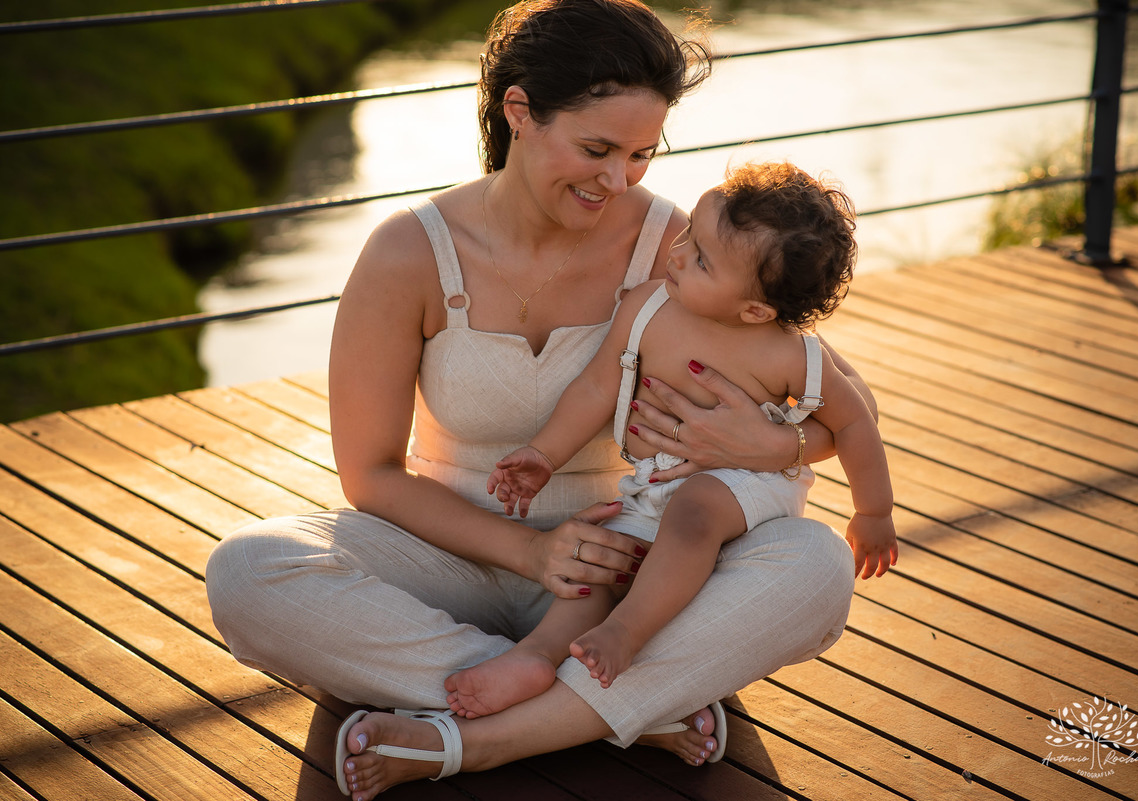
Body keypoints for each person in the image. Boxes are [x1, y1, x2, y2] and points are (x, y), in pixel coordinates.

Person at [203, 2, 870, 800]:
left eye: (639, 154)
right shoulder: (410, 252)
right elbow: (371, 476)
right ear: (519, 112)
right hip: (451, 557)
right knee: (249, 571)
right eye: (595, 148)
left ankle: (482, 733)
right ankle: (622, 706)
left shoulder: (678, 247)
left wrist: (779, 448)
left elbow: (836, 402)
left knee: (817, 563)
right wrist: (528, 552)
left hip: (633, 560)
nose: (616, 179)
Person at [444, 162, 896, 715]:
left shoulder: (791, 354)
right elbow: (595, 388)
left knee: (696, 511)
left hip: (745, 484)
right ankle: (537, 656)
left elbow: (855, 422)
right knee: (609, 560)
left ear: (755, 309)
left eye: (701, 258)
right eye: (688, 237)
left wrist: (873, 512)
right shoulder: (647, 308)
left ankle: (628, 635)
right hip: (657, 481)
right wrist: (544, 453)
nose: (677, 253)